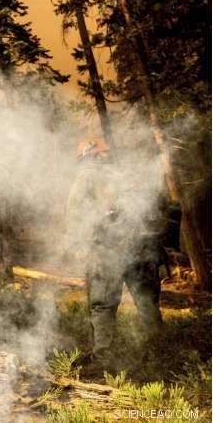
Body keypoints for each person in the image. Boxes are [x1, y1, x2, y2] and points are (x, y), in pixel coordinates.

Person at [66, 136, 170, 366]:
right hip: (142, 247)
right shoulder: (129, 173)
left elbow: (74, 214)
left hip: (106, 251)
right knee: (147, 302)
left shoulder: (87, 176)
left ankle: (104, 358)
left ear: (87, 157)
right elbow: (160, 208)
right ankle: (161, 353)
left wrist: (79, 245)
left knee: (103, 305)